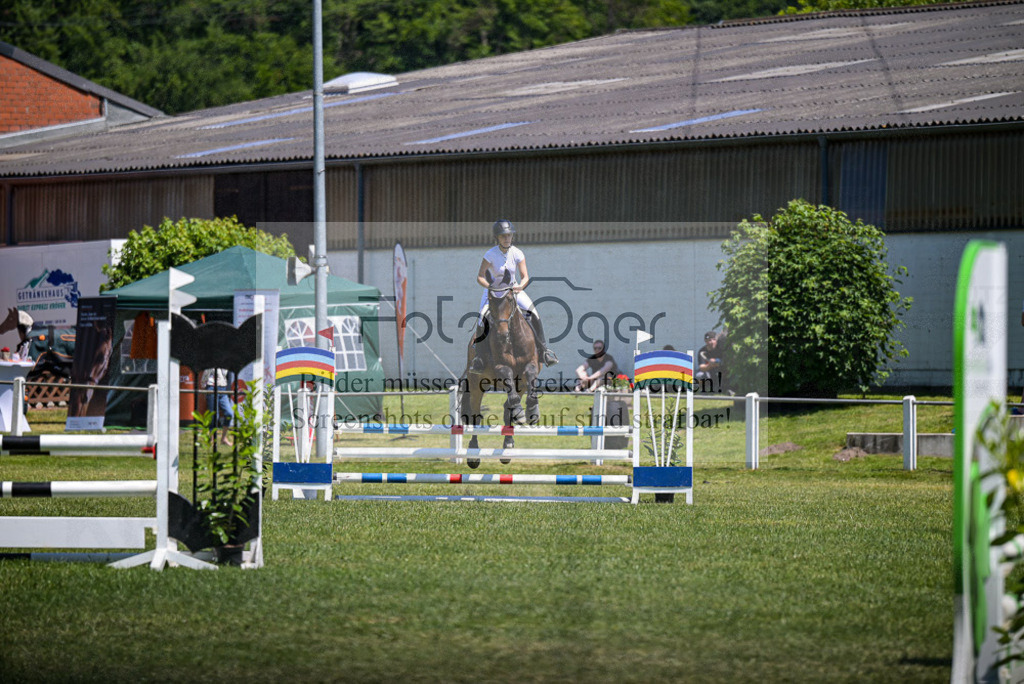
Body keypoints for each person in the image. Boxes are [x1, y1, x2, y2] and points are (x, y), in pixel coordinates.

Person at [470, 219, 558, 370]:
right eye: (503, 236)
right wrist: (490, 287)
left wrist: (520, 287)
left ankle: (544, 351)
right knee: (482, 318)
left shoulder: (517, 253)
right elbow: (480, 277)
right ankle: (479, 357)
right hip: (492, 291)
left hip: (512, 289)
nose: (507, 238)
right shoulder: (490, 254)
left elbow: (525, 276)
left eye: (509, 235)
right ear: (497, 237)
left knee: (534, 313)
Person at [204, 368, 235, 446]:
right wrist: (205, 386)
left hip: (223, 388)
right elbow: (206, 373)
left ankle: (223, 438)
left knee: (229, 413)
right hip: (212, 387)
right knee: (214, 415)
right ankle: (211, 439)